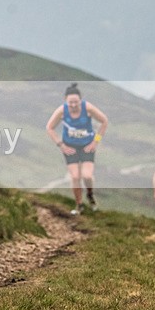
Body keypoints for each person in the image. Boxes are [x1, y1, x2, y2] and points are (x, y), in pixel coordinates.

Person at [46, 83, 109, 215]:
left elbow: (104, 121)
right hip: (70, 147)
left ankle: (90, 195)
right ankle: (79, 204)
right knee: (75, 176)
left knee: (87, 175)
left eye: (76, 102)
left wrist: (95, 142)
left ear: (80, 100)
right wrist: (61, 145)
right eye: (70, 103)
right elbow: (49, 127)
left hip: (87, 145)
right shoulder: (62, 111)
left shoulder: (88, 108)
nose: (73, 105)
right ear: (65, 100)